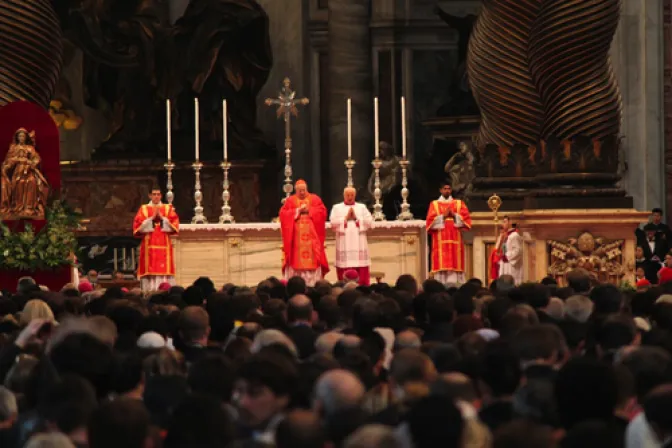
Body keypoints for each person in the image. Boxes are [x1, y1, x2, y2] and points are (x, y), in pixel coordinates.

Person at [279, 179, 329, 286]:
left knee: (313, 260)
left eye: (304, 190)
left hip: (312, 239)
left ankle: (312, 284)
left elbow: (322, 212)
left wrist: (309, 210)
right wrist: (297, 211)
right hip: (296, 240)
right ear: (296, 190)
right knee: (296, 261)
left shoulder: (315, 199)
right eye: (299, 191)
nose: (302, 192)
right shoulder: (291, 201)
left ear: (307, 189)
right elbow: (283, 214)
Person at [132, 187, 180, 291]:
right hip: (149, 244)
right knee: (150, 269)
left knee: (164, 270)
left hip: (164, 243)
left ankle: (165, 290)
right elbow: (137, 227)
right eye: (154, 194)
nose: (156, 196)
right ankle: (149, 291)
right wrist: (151, 218)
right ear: (150, 196)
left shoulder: (168, 208)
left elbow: (175, 225)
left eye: (158, 194)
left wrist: (162, 218)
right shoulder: (144, 209)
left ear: (161, 196)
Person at [425, 181, 472, 284]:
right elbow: (429, 223)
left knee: (454, 267)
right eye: (445, 189)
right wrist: (443, 216)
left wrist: (454, 215)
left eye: (449, 189)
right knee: (442, 267)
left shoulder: (459, 203)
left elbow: (467, 221)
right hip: (440, 241)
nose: (447, 190)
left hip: (455, 240)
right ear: (441, 190)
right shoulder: (434, 204)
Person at [0, 128, 49, 219]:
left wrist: (30, 163)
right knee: (19, 183)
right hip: (18, 171)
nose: (21, 138)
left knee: (32, 182)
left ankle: (29, 208)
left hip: (28, 170)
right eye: (20, 136)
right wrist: (13, 162)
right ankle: (17, 207)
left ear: (26, 137)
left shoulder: (30, 148)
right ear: (17, 137)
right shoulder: (13, 148)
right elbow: (8, 161)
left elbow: (37, 158)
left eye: (23, 136)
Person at [330, 187, 374, 285]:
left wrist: (356, 218)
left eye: (352, 195)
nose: (350, 197)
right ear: (344, 195)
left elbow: (369, 221)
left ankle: (362, 286)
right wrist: (345, 219)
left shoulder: (361, 207)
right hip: (344, 241)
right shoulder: (337, 207)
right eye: (347, 195)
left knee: (361, 265)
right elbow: (332, 223)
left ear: (355, 195)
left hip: (359, 241)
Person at [490, 216, 523, 285]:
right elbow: (502, 248)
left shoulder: (515, 235)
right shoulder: (504, 235)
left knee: (510, 283)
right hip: (503, 263)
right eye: (502, 222)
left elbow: (518, 251)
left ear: (510, 222)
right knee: (503, 283)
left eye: (505, 221)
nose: (503, 224)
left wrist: (506, 256)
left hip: (511, 265)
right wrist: (500, 254)